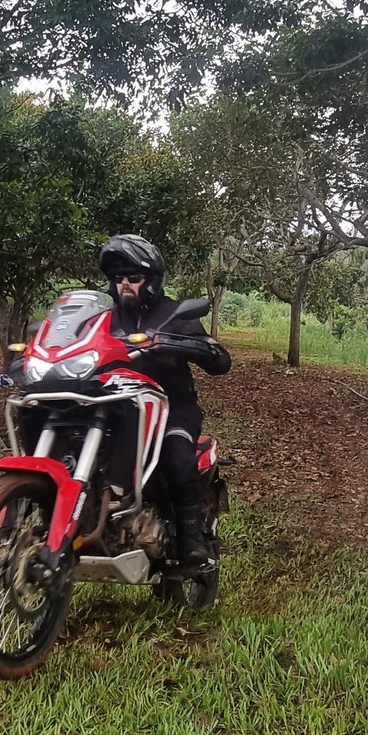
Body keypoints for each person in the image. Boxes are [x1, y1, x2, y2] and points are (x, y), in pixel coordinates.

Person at [99, 234, 231, 565]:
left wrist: (183, 344)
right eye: (118, 279)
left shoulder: (175, 315)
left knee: (175, 455)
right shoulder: (104, 319)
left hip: (171, 408)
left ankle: (191, 542)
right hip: (117, 409)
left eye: (133, 277)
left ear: (152, 281)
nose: (124, 284)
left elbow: (219, 360)